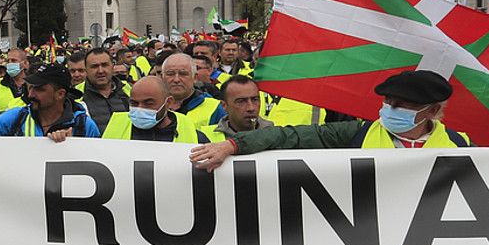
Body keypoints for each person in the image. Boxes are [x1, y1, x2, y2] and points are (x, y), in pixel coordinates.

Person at [190, 70, 470, 172]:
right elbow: (288, 136)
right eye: (388, 103)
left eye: (401, 106)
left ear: (432, 111)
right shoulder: (356, 133)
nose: (390, 110)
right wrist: (232, 146)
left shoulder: (462, 145)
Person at [0, 64, 98, 140]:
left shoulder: (84, 125)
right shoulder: (17, 117)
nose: (31, 93)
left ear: (60, 94)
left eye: (39, 89)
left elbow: (101, 159)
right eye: (30, 87)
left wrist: (69, 147)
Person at [101, 76, 210, 142]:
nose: (140, 108)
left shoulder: (195, 137)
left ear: (168, 103)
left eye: (148, 103)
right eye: (134, 103)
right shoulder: (114, 127)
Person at [161, 53, 224, 131]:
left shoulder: (214, 108)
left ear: (195, 77)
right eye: (170, 74)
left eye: (183, 74)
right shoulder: (151, 105)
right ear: (162, 77)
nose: (176, 79)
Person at [203, 76, 273, 141]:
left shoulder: (275, 134)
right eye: (241, 101)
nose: (251, 108)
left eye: (255, 99)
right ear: (224, 106)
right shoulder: (205, 136)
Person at [80, 47, 131, 131]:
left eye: (104, 65)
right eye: (94, 66)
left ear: (112, 66)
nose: (100, 71)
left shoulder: (127, 89)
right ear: (86, 70)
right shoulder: (76, 95)